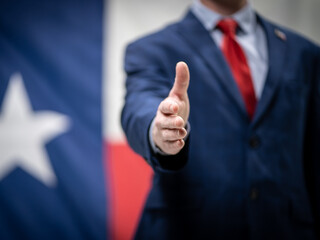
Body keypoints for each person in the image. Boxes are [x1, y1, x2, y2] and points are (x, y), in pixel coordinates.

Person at [121, 0, 320, 239]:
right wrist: (160, 130)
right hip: (188, 228)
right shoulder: (151, 49)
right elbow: (139, 106)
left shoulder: (305, 54)